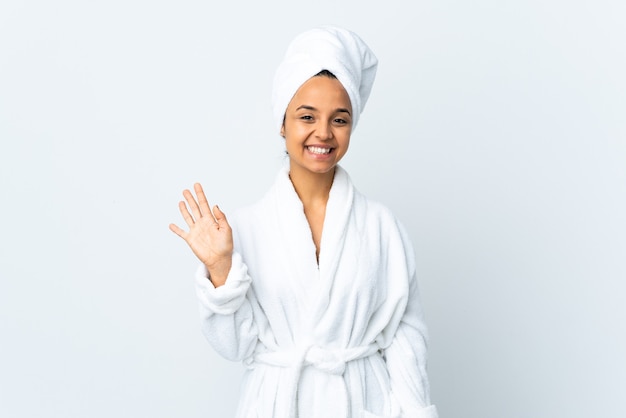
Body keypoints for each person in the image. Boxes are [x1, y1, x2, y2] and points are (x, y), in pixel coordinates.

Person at [169, 26, 439, 418]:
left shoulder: (381, 227)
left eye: (340, 120)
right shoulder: (244, 229)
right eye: (307, 116)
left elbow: (405, 338)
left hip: (364, 405)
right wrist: (221, 269)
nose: (323, 133)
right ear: (283, 123)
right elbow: (235, 347)